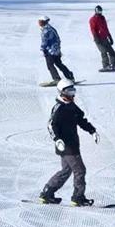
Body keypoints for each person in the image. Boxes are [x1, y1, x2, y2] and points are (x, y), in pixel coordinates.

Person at [39, 79, 99, 207]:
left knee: (66, 171)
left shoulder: (71, 105)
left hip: (72, 144)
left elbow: (81, 120)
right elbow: (51, 126)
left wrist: (92, 131)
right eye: (69, 91)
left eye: (73, 90)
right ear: (62, 92)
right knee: (80, 170)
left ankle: (47, 193)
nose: (72, 94)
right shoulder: (59, 108)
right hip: (66, 146)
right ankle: (78, 197)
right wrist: (57, 140)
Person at [38, 16, 75, 83]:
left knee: (50, 65)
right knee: (59, 64)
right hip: (56, 50)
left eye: (40, 22)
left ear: (43, 22)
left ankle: (57, 79)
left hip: (50, 51)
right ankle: (69, 76)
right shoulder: (51, 28)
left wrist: (43, 49)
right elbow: (57, 39)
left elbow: (44, 41)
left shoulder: (45, 30)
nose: (39, 23)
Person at [89, 5, 115, 71]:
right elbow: (93, 29)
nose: (100, 12)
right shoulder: (93, 19)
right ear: (95, 11)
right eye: (98, 11)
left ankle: (114, 63)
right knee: (104, 51)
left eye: (101, 11)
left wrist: (110, 36)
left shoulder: (102, 18)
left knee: (111, 51)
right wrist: (96, 37)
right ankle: (106, 65)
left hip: (104, 38)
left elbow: (106, 28)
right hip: (98, 39)